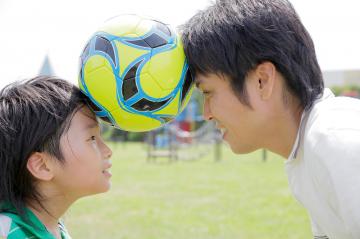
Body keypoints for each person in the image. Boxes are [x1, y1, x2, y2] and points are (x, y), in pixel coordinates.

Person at [181, 0, 360, 238]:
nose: (207, 113)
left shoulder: (335, 141)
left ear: (262, 80)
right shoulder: (306, 153)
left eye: (208, 92)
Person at [0, 76, 113, 239]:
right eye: (92, 138)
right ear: (42, 166)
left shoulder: (54, 229)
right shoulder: (6, 232)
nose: (108, 150)